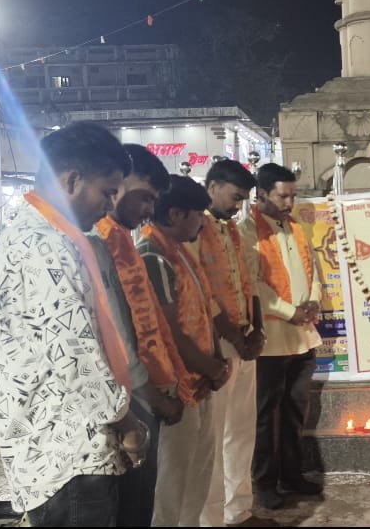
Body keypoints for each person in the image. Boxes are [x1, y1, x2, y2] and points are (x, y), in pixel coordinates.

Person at [0, 123, 149, 527]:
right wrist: (125, 422)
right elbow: (74, 351)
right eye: (107, 192)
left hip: (69, 446)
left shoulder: (49, 234)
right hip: (68, 453)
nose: (110, 205)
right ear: (73, 180)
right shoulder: (44, 245)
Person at [92, 144, 185, 526]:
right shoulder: (100, 240)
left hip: (141, 389)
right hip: (125, 398)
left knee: (140, 502)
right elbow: (116, 333)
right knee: (129, 506)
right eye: (144, 197)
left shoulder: (121, 238)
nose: (148, 209)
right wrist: (149, 396)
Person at [137, 174, 232, 527]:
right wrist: (210, 367)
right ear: (176, 215)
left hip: (201, 379)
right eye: (197, 216)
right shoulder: (152, 257)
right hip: (178, 388)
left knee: (197, 477)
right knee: (172, 485)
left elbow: (203, 313)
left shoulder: (178, 254)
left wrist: (216, 363)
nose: (202, 224)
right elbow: (169, 332)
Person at [192, 159, 270, 527]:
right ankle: (213, 520)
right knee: (214, 437)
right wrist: (236, 335)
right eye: (235, 197)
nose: (238, 205)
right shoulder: (194, 228)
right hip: (217, 344)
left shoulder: (232, 230)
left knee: (240, 431)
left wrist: (256, 330)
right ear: (212, 186)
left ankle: (239, 512)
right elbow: (201, 294)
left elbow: (249, 283)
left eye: (243, 199)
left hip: (243, 340)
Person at [241, 163, 324, 510]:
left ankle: (292, 474)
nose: (290, 202)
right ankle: (263, 483)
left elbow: (312, 268)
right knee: (264, 417)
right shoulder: (247, 231)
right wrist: (292, 311)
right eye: (283, 195)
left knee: (293, 411)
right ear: (261, 195)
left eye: (293, 195)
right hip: (271, 339)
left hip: (303, 336)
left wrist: (315, 299)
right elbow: (253, 283)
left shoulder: (294, 227)